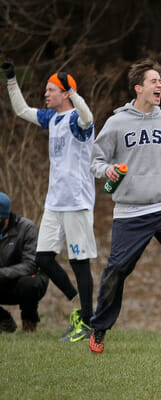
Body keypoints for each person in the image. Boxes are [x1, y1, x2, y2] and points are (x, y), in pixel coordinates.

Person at [88, 59, 161, 353]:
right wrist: (109, 170)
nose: (160, 86)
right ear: (138, 87)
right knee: (116, 270)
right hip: (131, 212)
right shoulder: (116, 123)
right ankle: (100, 327)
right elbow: (95, 162)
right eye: (154, 81)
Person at [2, 59, 97, 342]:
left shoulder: (78, 121)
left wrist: (73, 90)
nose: (45, 94)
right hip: (54, 203)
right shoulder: (51, 118)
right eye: (46, 90)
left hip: (77, 202)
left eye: (51, 89)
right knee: (43, 257)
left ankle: (87, 320)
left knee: (81, 262)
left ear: (65, 93)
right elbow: (20, 110)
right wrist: (10, 79)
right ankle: (73, 297)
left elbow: (89, 118)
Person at [0, 193, 46, 333]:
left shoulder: (27, 228)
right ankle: (3, 320)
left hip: (23, 281)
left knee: (29, 283)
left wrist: (2, 273)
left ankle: (29, 322)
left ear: (4, 217)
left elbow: (31, 264)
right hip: (2, 281)